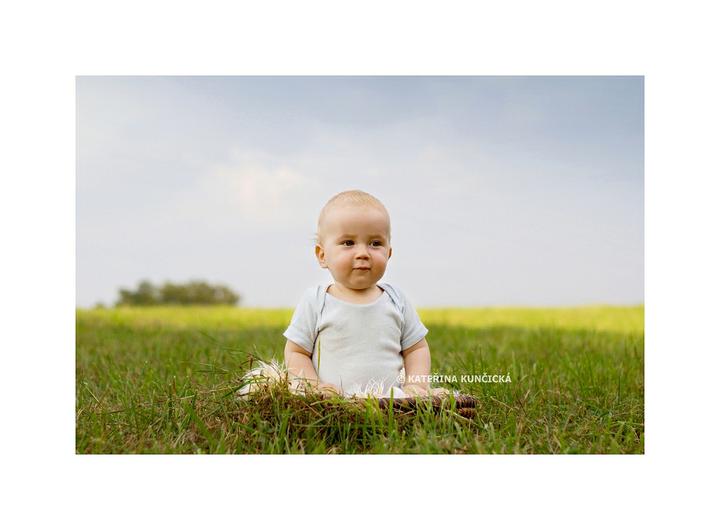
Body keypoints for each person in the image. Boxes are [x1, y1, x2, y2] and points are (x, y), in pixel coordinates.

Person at [282, 189, 448, 399]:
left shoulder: (396, 300)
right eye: (348, 243)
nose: (363, 253)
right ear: (322, 255)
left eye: (375, 244)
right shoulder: (316, 301)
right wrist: (314, 387)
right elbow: (296, 352)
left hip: (391, 404)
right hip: (335, 405)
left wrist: (416, 385)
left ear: (388, 253)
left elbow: (416, 349)